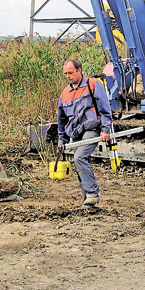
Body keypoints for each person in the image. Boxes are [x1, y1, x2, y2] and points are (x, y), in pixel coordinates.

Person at [57, 59, 112, 208]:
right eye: (66, 74)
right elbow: (61, 120)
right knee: (78, 162)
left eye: (70, 73)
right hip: (75, 133)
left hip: (91, 129)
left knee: (79, 157)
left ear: (79, 70)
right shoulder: (64, 94)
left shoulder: (93, 85)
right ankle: (87, 202)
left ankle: (93, 194)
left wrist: (105, 129)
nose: (68, 76)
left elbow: (105, 109)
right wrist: (61, 141)